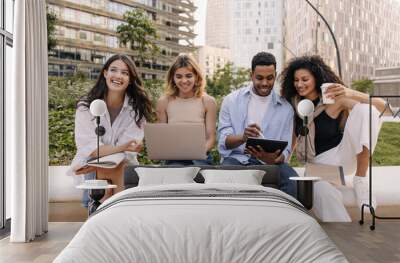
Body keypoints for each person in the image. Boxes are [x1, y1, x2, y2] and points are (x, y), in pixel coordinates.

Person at [280, 55, 385, 218]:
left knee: (367, 110)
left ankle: (361, 179)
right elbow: (294, 139)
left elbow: (385, 108)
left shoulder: (334, 100)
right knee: (323, 192)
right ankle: (341, 235)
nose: (299, 84)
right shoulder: (295, 105)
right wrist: (283, 164)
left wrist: (351, 92)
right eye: (296, 80)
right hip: (319, 166)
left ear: (316, 78)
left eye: (305, 79)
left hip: (343, 157)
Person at [69, 54, 153, 207]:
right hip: (91, 163)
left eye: (125, 73)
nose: (118, 76)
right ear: (105, 73)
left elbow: (128, 151)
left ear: (130, 79)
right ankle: (105, 212)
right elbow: (91, 149)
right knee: (101, 181)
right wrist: (121, 147)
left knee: (116, 171)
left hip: (122, 164)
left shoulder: (137, 110)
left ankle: (103, 213)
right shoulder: (86, 106)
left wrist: (118, 151)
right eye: (114, 70)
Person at [217, 52, 298, 198]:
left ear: (276, 75)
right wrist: (243, 137)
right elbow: (224, 143)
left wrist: (273, 159)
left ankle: (280, 219)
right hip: (236, 159)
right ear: (251, 75)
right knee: (224, 178)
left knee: (294, 183)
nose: (265, 83)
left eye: (270, 78)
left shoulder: (286, 108)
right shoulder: (231, 101)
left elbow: (285, 153)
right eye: (259, 78)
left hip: (271, 163)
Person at [156, 54, 217, 165]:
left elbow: (211, 139)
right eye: (179, 76)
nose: (184, 81)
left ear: (196, 77)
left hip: (200, 156)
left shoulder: (208, 102)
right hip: (174, 158)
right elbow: (162, 138)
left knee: (198, 172)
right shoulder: (164, 102)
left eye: (188, 76)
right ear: (172, 78)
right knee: (175, 172)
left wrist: (196, 152)